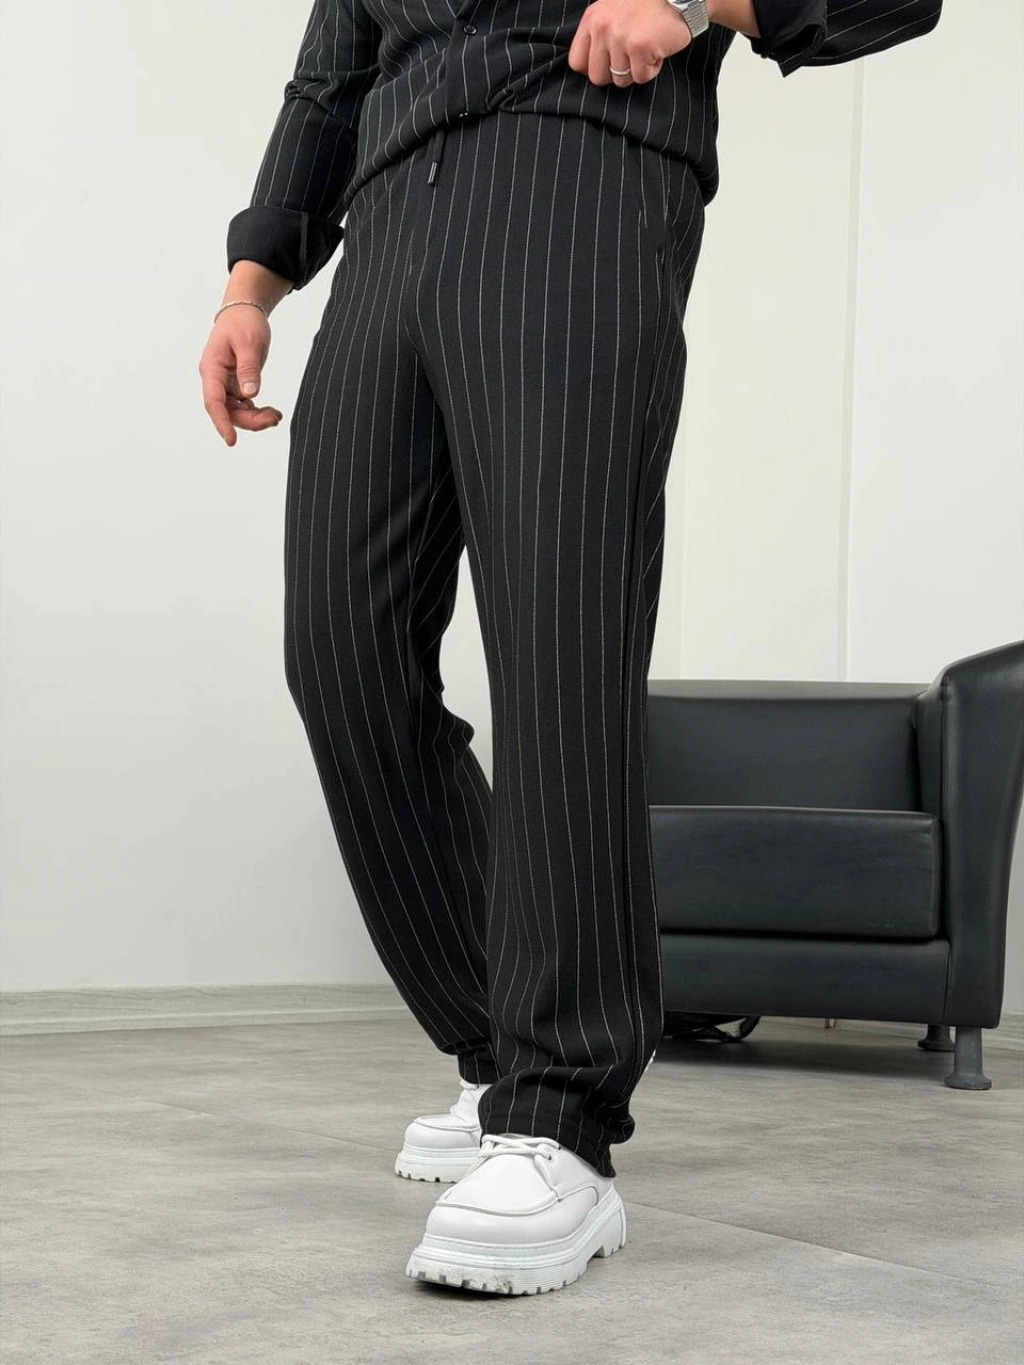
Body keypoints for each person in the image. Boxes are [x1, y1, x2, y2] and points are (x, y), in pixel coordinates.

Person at [198, 0, 941, 1296]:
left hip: (577, 175)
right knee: (342, 650)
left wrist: (692, 5)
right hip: (392, 218)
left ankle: (559, 1122)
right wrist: (249, 286)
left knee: (558, 648)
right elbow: (329, 78)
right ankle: (500, 1046)